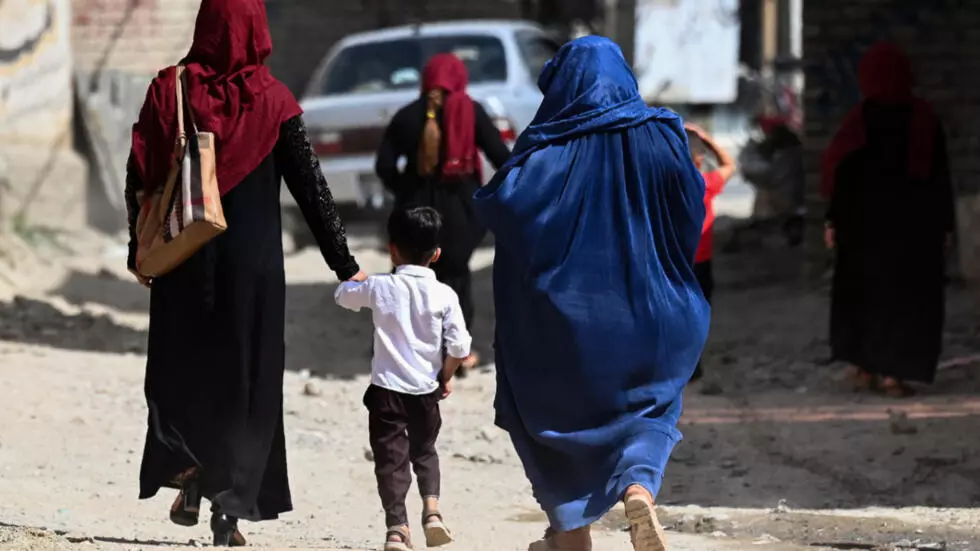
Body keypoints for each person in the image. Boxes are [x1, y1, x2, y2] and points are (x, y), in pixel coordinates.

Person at [125, 0, 364, 545]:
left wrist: (135, 249)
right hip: (251, 268)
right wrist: (343, 264)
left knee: (185, 368)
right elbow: (312, 189)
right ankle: (229, 508)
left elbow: (139, 173)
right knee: (246, 381)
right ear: (257, 31)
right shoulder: (274, 102)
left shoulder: (172, 90)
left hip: (185, 257)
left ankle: (187, 467)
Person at [473, 37, 710, 551]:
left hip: (564, 327)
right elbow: (692, 209)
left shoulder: (544, 148)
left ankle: (570, 532)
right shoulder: (663, 133)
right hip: (654, 315)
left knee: (553, 420)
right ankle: (638, 488)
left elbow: (505, 211)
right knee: (648, 410)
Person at [822, 42, 954, 398]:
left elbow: (839, 174)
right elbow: (940, 178)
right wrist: (946, 227)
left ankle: (864, 367)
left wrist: (833, 221)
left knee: (864, 297)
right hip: (914, 232)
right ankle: (894, 375)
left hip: (863, 232)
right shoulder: (924, 119)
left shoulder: (859, 121)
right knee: (907, 303)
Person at [334, 207, 471, 551]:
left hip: (386, 394)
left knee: (390, 461)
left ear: (391, 249)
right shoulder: (445, 295)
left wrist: (358, 278)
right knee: (425, 451)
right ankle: (433, 511)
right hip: (426, 390)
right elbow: (459, 346)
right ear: (436, 254)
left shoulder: (380, 287)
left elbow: (342, 296)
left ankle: (397, 529)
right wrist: (445, 376)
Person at [375, 53, 510, 376]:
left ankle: (408, 352)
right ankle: (457, 355)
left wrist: (406, 190)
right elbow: (504, 159)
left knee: (409, 282)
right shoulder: (472, 112)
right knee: (455, 280)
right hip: (460, 214)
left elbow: (384, 167)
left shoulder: (406, 116)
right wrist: (487, 196)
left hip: (414, 213)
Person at [685, 123, 736, 381]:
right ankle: (694, 367)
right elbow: (729, 165)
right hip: (701, 263)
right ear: (701, 158)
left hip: (670, 262)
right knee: (698, 315)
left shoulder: (662, 185)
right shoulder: (705, 184)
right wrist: (708, 138)